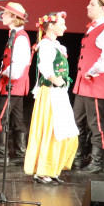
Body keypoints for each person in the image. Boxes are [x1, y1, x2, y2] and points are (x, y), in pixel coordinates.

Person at [24, 11, 79, 183]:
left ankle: (52, 168)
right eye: (62, 24)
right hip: (50, 93)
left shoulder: (57, 45)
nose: (65, 27)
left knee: (64, 131)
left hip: (59, 93)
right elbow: (45, 67)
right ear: (51, 26)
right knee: (51, 130)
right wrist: (57, 81)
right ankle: (43, 170)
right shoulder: (46, 45)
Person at [72, 0, 104, 173]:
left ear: (102, 8)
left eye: (91, 4)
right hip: (83, 85)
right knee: (76, 121)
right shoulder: (93, 27)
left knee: (95, 124)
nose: (87, 7)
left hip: (94, 84)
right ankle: (76, 158)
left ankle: (97, 162)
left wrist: (93, 71)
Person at [0, 2, 32, 164]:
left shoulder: (20, 37)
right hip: (14, 84)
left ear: (14, 17)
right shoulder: (14, 34)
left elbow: (20, 63)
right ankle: (21, 154)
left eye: (6, 13)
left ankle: (2, 156)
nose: (3, 15)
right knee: (17, 120)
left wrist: (7, 73)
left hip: (13, 84)